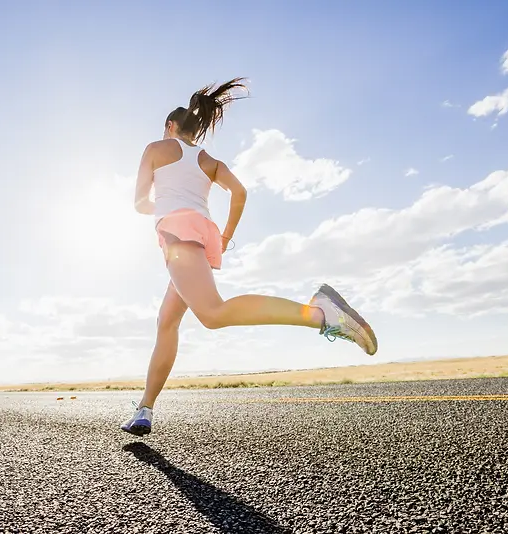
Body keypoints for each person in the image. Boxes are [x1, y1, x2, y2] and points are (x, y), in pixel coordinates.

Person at [121, 78, 377, 436]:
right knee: (167, 321)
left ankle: (321, 313)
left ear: (170, 126)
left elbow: (138, 202)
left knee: (211, 314)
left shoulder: (156, 147)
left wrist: (161, 206)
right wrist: (225, 236)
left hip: (178, 234)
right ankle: (144, 409)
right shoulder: (209, 160)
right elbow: (238, 192)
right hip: (202, 232)